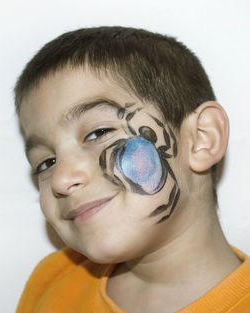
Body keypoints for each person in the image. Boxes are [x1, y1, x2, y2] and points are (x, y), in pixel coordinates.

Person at [14, 26, 250, 313]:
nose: (61, 180)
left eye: (98, 133)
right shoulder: (51, 282)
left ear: (202, 138)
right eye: (46, 163)